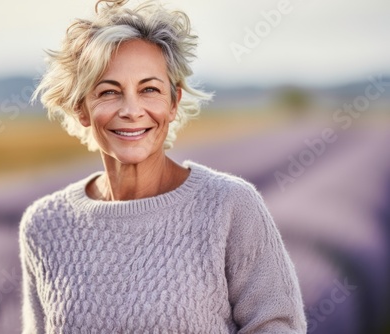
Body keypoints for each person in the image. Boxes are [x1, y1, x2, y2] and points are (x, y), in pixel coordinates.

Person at [19, 0, 307, 332]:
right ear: (81, 108)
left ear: (174, 102)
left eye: (149, 90)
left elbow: (276, 325)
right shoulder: (44, 226)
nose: (131, 110)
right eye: (109, 92)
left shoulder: (229, 207)